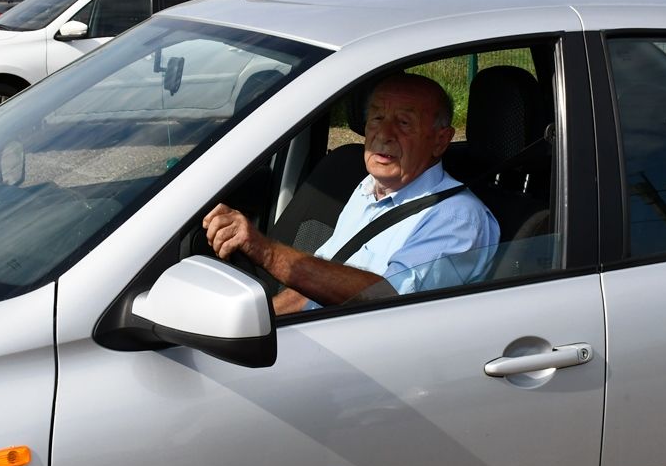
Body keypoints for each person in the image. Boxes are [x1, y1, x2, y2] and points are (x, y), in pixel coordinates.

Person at [203, 73, 500, 314]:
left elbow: (389, 299)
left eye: (404, 122)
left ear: (440, 140)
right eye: (376, 118)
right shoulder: (368, 187)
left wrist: (266, 251)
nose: (384, 134)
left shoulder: (457, 216)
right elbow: (316, 283)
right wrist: (261, 320)